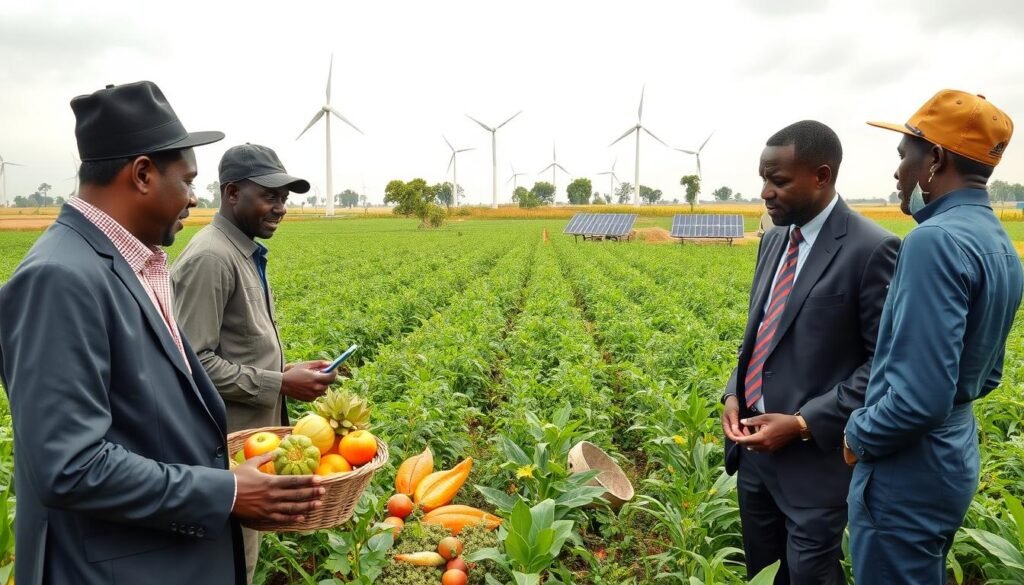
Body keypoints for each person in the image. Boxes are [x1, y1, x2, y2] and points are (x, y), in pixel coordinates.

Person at [0, 81, 325, 585]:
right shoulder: (60, 278)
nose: (194, 199)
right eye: (188, 181)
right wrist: (227, 492)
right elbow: (69, 466)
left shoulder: (125, 264)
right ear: (143, 174)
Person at [844, 90, 1021, 584]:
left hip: (908, 468)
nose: (897, 172)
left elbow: (919, 399)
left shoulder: (934, 242)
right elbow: (989, 375)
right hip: (952, 454)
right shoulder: (997, 243)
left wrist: (858, 434)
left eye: (904, 156)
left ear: (935, 160)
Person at [721, 120, 899, 584]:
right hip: (755, 455)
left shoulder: (872, 248)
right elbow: (759, 333)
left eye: (778, 181)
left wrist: (802, 424)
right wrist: (732, 395)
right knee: (764, 572)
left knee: (808, 577)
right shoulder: (776, 239)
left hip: (813, 466)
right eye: (763, 179)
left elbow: (882, 366)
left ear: (822, 176)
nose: (765, 192)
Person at [171, 143, 338, 582]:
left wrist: (285, 373)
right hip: (224, 456)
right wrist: (279, 384)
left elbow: (234, 348)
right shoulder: (212, 258)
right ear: (231, 193)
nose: (280, 207)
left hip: (252, 448)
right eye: (269, 195)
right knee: (229, 565)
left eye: (284, 198)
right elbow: (192, 364)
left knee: (241, 559)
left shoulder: (243, 252)